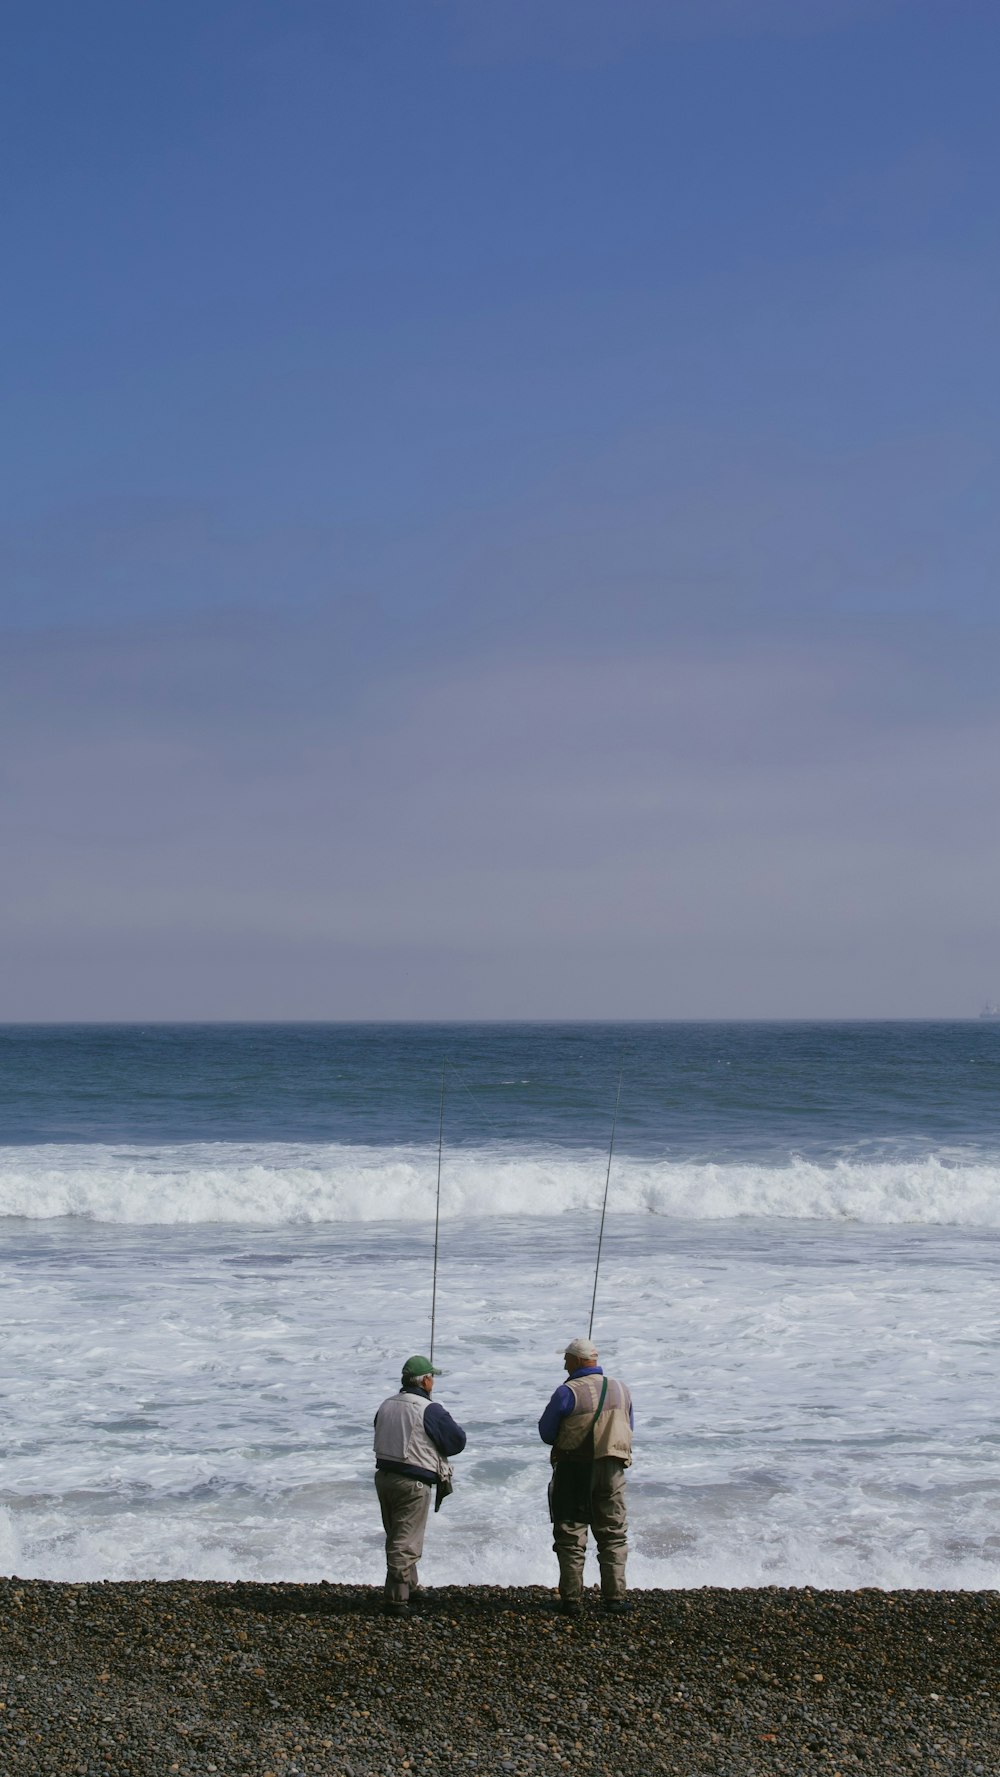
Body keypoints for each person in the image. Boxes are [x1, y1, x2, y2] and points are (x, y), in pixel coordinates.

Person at [538, 1335, 634, 1615]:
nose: (564, 1364)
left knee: (571, 1534)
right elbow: (630, 1426)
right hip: (614, 1467)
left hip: (574, 1468)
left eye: (566, 1358)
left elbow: (546, 1432)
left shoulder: (567, 1392)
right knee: (613, 1533)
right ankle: (614, 1599)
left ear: (578, 1361)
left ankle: (571, 1600)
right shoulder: (621, 1389)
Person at [373, 1354, 466, 1617]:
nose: (432, 1381)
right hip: (413, 1482)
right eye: (431, 1377)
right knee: (405, 1540)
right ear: (425, 1381)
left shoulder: (386, 1404)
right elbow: (457, 1441)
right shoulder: (428, 1409)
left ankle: (411, 1586)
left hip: (384, 1477)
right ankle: (396, 1599)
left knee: (397, 1533)